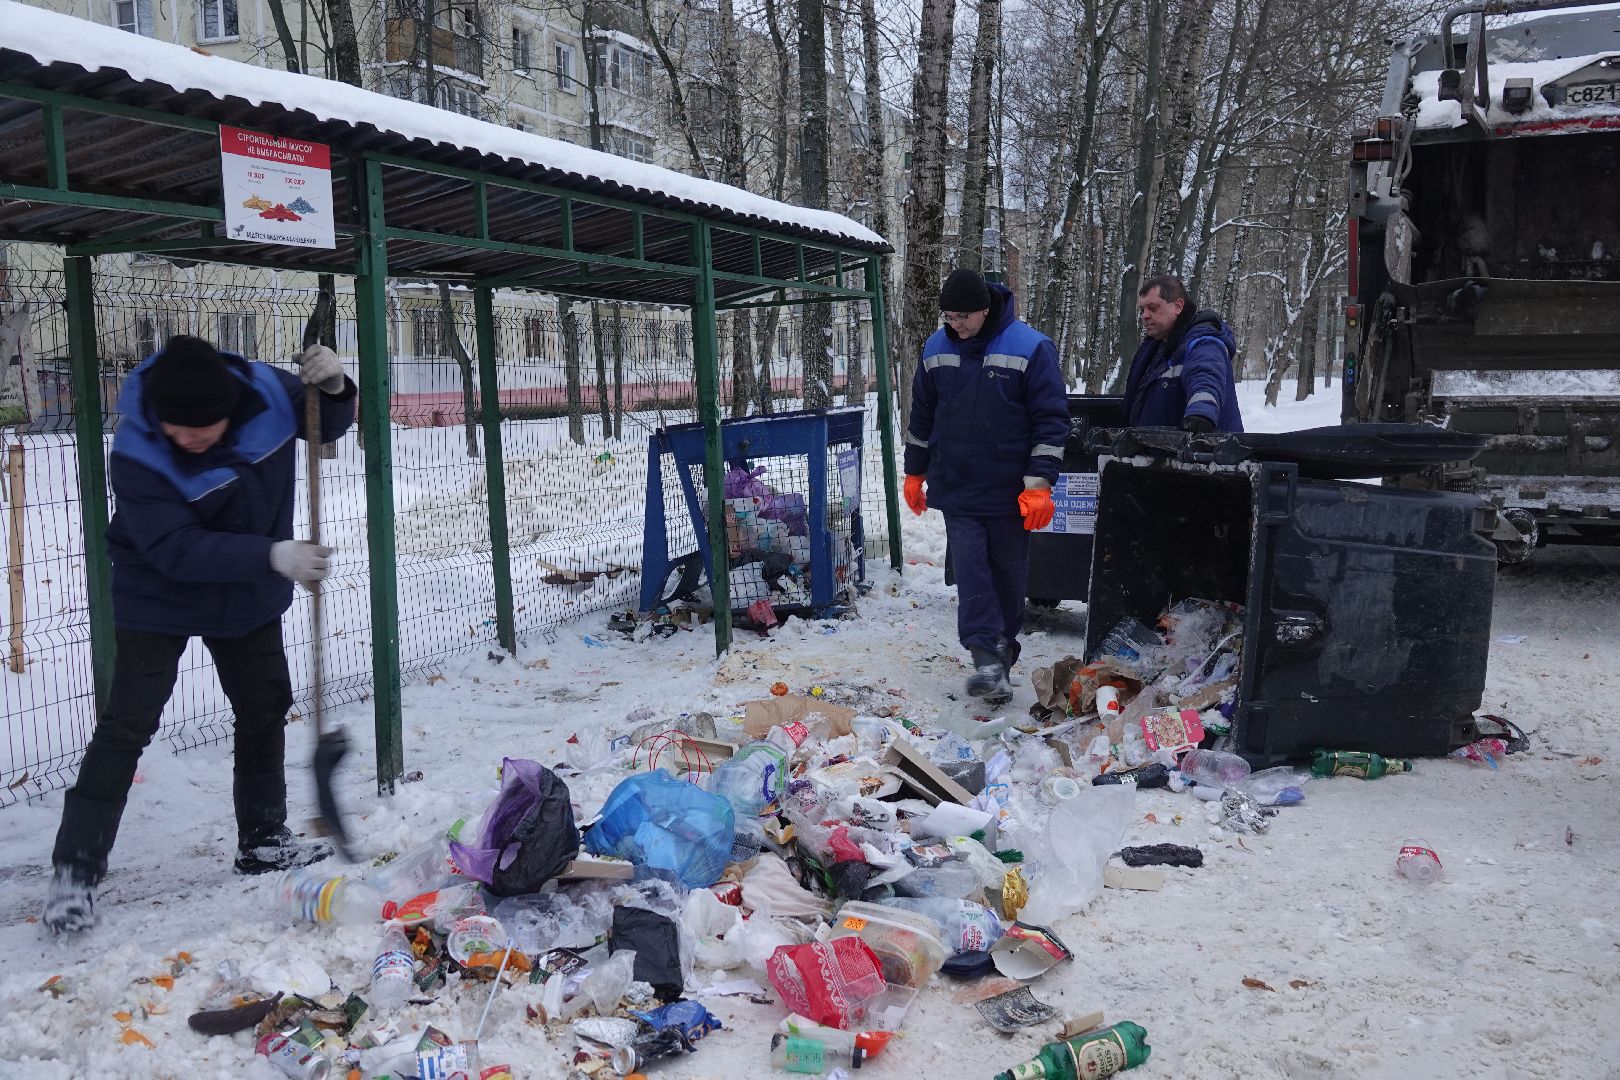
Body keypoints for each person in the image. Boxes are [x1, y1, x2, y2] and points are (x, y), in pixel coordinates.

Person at [44, 334, 357, 934]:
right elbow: (175, 548)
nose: (186, 439)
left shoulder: (269, 394)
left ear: (229, 409)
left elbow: (324, 426)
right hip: (158, 591)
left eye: (201, 428)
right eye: (176, 427)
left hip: (245, 592)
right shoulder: (137, 451)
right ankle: (74, 873)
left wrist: (337, 388)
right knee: (128, 723)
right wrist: (273, 555)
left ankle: (263, 839)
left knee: (264, 704)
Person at [902, 268, 1070, 699]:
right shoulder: (936, 348)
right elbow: (922, 415)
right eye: (949, 317)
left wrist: (1039, 484)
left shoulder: (1030, 347)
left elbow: (1051, 422)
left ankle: (1002, 656)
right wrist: (915, 472)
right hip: (957, 485)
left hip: (1009, 489)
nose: (955, 325)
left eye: (963, 317)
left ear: (984, 309)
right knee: (972, 568)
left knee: (1008, 576)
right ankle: (985, 656)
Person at [1124, 274, 1243, 434]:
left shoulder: (1203, 343)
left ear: (1178, 306)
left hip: (1204, 447)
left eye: (1152, 308)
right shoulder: (1155, 349)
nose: (1144, 315)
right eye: (1142, 310)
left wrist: (1201, 412)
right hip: (1156, 447)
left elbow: (1206, 375)